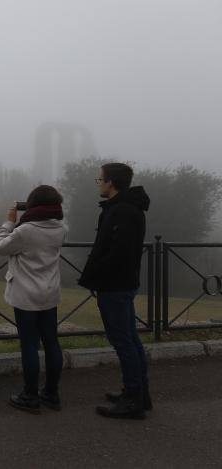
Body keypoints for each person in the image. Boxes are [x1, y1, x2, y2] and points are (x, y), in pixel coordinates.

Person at [78, 162, 151, 419]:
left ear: (111, 182)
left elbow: (117, 252)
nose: (98, 184)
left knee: (123, 342)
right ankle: (139, 393)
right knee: (130, 339)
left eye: (100, 180)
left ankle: (133, 400)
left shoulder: (122, 211)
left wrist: (97, 276)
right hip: (121, 283)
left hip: (115, 285)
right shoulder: (125, 208)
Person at [0, 185, 67, 414]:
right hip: (49, 292)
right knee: (52, 343)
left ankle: (30, 395)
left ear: (33, 204)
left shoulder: (25, 231)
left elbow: (0, 247)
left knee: (29, 345)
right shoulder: (61, 228)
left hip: (26, 295)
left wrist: (8, 223)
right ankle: (52, 393)